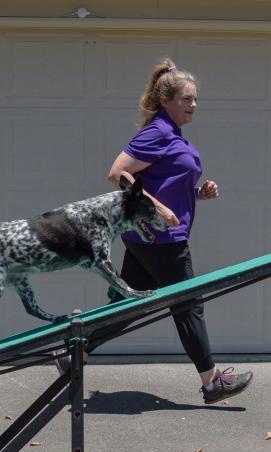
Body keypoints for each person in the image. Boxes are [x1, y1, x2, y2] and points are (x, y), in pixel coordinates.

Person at [100, 57, 252, 404]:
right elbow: (117, 173)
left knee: (129, 304)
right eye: (187, 99)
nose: (194, 105)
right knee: (189, 305)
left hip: (146, 235)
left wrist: (199, 193)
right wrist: (157, 208)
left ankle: (72, 352)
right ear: (166, 100)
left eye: (195, 99)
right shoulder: (157, 131)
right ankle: (212, 381)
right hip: (162, 239)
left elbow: (165, 183)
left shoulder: (172, 134)